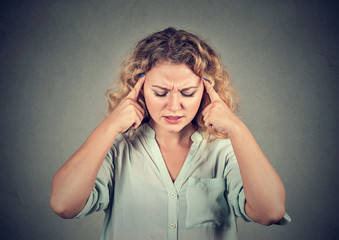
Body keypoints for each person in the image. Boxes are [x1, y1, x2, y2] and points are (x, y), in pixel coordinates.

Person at [50, 27, 290, 240]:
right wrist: (110, 125)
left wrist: (237, 129)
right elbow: (63, 205)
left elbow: (270, 212)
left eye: (187, 92)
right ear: (140, 88)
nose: (174, 106)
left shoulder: (225, 150)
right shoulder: (118, 147)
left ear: (206, 91)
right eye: (160, 92)